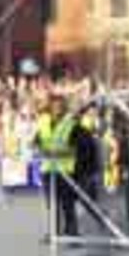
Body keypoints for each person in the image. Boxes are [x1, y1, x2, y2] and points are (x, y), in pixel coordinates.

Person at [35, 94, 80, 237]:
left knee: (68, 202)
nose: (57, 108)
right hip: (48, 169)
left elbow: (76, 147)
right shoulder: (43, 121)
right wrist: (40, 149)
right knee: (52, 203)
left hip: (66, 169)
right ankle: (54, 232)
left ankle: (72, 231)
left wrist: (55, 153)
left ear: (64, 107)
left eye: (60, 106)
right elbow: (36, 142)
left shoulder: (71, 123)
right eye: (54, 106)